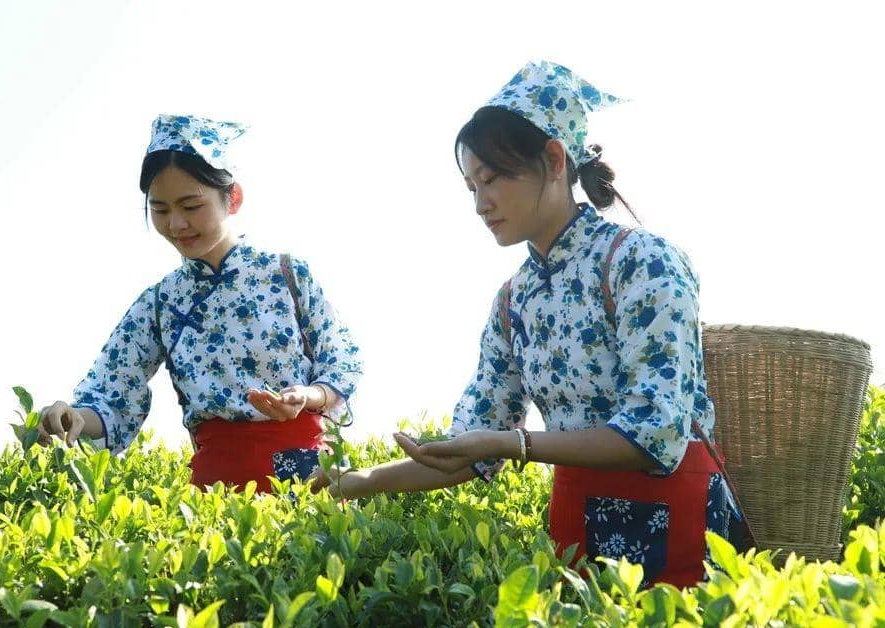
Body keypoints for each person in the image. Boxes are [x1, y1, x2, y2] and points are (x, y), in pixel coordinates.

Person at [317, 61, 747, 588]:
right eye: (470, 186)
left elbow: (654, 434)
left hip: (678, 519)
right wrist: (365, 480)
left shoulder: (642, 261)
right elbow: (469, 447)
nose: (480, 203)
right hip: (574, 525)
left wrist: (512, 445)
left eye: (493, 178)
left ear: (553, 159)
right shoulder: (514, 301)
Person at [37, 114, 363, 493]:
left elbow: (342, 359)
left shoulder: (287, 274)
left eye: (191, 206)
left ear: (233, 198)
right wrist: (72, 416)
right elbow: (112, 395)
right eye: (159, 210)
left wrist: (309, 396)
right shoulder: (159, 304)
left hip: (309, 473)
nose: (176, 224)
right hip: (216, 487)